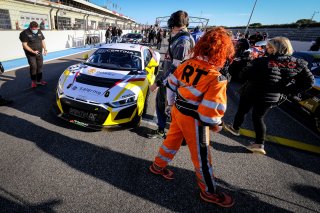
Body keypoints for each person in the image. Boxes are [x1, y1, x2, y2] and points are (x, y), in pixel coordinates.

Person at [149, 27, 235, 207]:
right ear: (223, 51)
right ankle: (209, 192)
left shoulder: (187, 64)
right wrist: (217, 125)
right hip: (195, 120)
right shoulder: (216, 78)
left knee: (171, 141)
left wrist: (171, 106)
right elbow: (210, 113)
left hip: (177, 111)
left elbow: (171, 86)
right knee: (201, 157)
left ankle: (157, 166)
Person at [223, 37, 314, 155]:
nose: (267, 49)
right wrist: (286, 90)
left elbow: (243, 75)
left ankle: (235, 128)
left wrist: (249, 66)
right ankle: (259, 144)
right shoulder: (297, 63)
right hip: (272, 96)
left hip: (252, 91)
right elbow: (309, 82)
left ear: (279, 48)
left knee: (243, 110)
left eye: (270, 47)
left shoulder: (262, 61)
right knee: (258, 117)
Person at [147, 10, 195, 139]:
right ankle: (162, 130)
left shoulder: (183, 41)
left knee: (172, 110)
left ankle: (177, 135)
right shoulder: (178, 38)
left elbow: (176, 68)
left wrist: (158, 82)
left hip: (175, 83)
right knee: (160, 104)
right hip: (169, 80)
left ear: (173, 23)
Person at [19, 21, 47, 88]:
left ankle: (39, 81)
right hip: (30, 54)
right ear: (30, 28)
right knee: (34, 67)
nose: (35, 30)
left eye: (36, 28)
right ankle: (33, 82)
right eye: (34, 29)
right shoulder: (24, 33)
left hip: (39, 52)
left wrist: (45, 49)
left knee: (40, 66)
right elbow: (24, 45)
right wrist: (33, 51)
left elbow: (42, 41)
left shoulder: (39, 31)